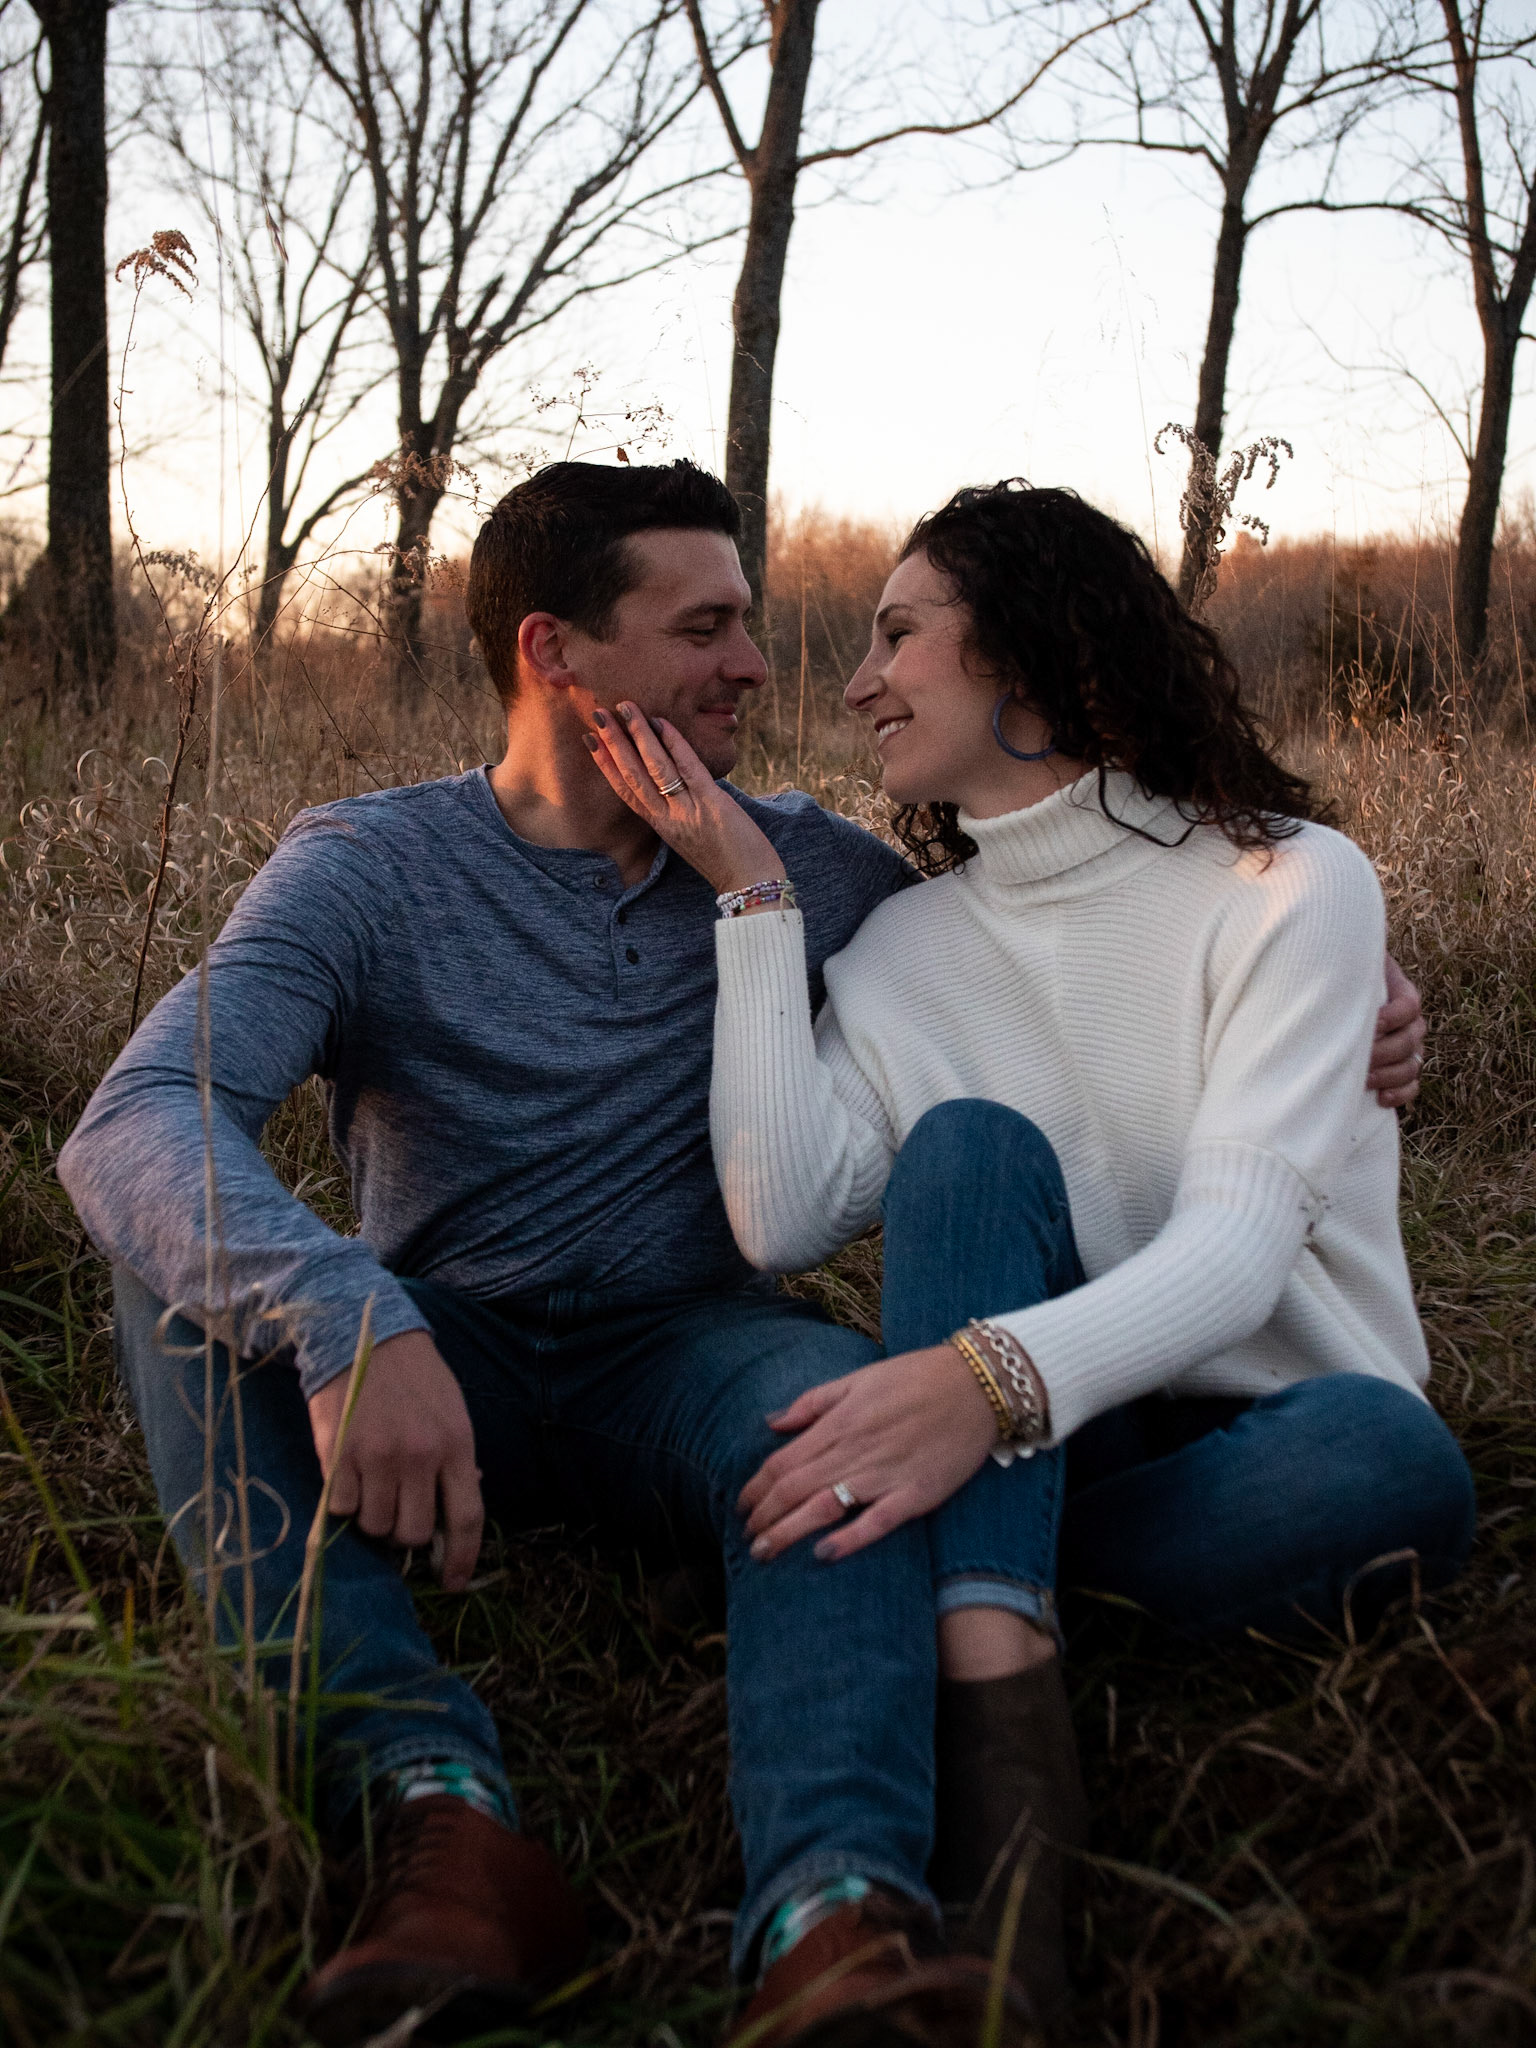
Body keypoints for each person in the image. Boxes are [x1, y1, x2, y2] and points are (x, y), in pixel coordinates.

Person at [58, 461, 1424, 2048]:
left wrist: (1372, 1002)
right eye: (704, 628)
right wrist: (343, 1309)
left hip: (692, 1353)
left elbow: (1076, 913)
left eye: (759, 626)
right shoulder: (369, 867)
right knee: (183, 1285)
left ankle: (834, 1915)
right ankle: (432, 1812)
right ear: (554, 651)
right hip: (452, 1342)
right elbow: (140, 1115)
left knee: (840, 1405)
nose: (763, 669)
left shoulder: (829, 875)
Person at [585, 478, 1475, 2035]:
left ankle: (913, 1586)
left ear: (1033, 656)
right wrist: (754, 900)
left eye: (899, 636)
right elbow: (781, 1216)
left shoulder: (1289, 881)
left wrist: (977, 1386)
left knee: (1388, 1455)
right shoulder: (908, 949)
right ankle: (998, 1725)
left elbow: (1240, 1251)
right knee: (970, 1149)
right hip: (1053, 1447)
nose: (856, 684)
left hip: (1270, 1432)